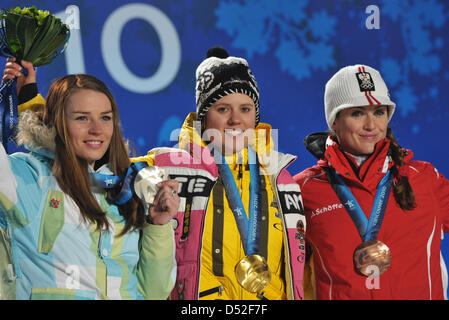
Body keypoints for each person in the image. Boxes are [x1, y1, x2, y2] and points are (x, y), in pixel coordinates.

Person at [133, 46, 306, 300]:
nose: (236, 120)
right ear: (204, 116)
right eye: (223, 109)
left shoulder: (281, 179)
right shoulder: (167, 167)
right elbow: (100, 172)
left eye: (245, 109)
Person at [0, 58, 179, 300]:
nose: (97, 129)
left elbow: (153, 293)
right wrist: (15, 100)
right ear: (56, 122)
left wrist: (157, 225)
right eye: (82, 118)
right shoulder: (26, 177)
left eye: (105, 117)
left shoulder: (125, 190)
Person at [294, 64, 449, 300]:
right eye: (357, 113)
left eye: (379, 112)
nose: (371, 125)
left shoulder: (425, 178)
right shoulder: (304, 189)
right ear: (334, 121)